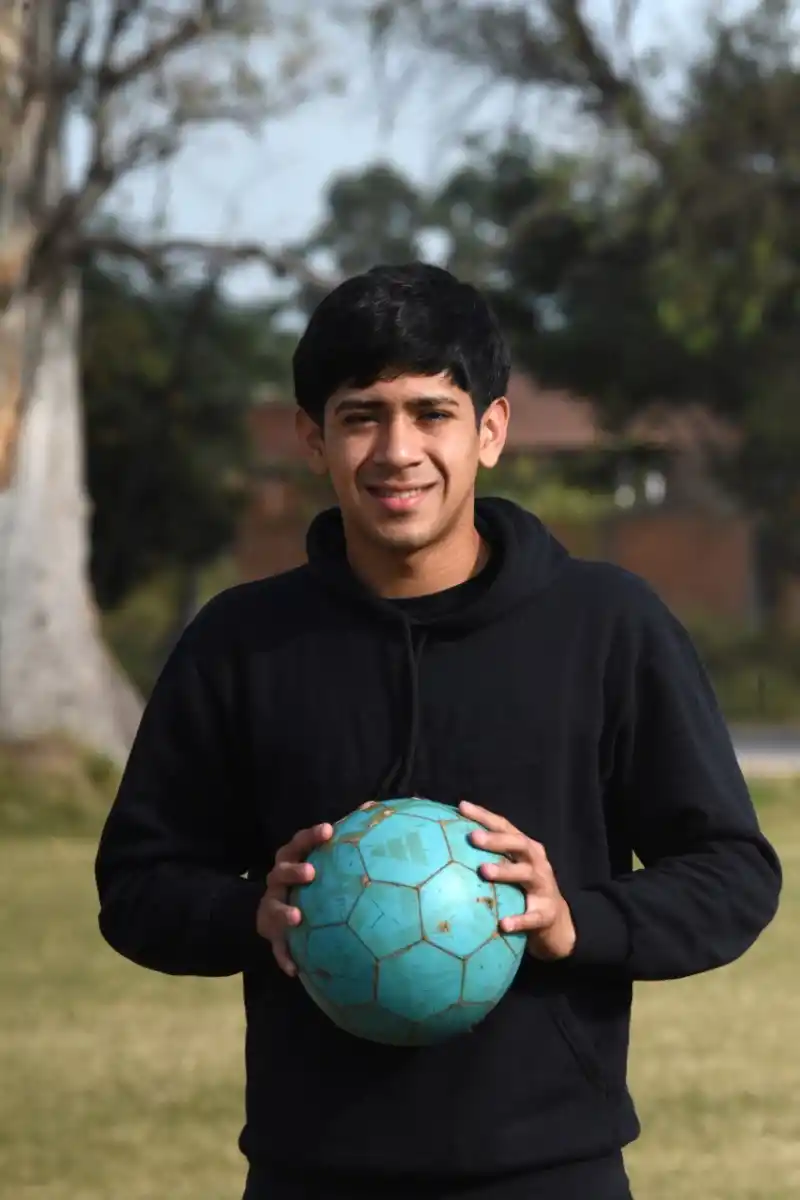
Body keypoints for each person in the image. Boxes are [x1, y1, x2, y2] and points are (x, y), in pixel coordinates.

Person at [95, 262, 782, 1200]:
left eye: (431, 412)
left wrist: (579, 918)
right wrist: (249, 915)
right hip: (312, 1169)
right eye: (360, 415)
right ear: (313, 439)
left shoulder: (607, 626)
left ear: (491, 430)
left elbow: (732, 873)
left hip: (549, 1169)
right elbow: (135, 883)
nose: (396, 449)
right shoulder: (241, 642)